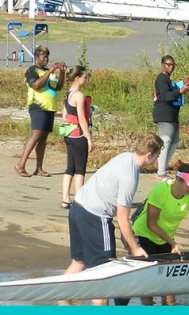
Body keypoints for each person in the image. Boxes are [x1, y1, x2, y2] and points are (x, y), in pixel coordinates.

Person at [58, 133, 163, 306]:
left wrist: (126, 237)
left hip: (77, 208)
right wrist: (136, 249)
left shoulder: (125, 157)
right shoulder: (130, 176)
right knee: (104, 276)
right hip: (95, 217)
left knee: (79, 262)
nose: (157, 159)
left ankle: (63, 301)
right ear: (150, 155)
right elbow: (122, 218)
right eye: (158, 156)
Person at [130, 160, 189, 306]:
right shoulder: (160, 190)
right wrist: (172, 243)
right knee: (148, 284)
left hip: (166, 238)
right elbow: (151, 223)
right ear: (179, 179)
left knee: (169, 288)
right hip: (144, 234)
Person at [14, 46, 66, 178]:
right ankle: (21, 165)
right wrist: (51, 71)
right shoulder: (32, 70)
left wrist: (62, 73)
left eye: (47, 57)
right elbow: (36, 85)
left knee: (43, 138)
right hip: (37, 106)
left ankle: (39, 168)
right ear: (37, 58)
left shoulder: (49, 71)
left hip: (49, 107)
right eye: (43, 57)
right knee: (36, 135)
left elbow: (57, 87)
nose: (46, 59)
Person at [153, 55, 189, 180]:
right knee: (165, 141)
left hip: (172, 115)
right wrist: (180, 91)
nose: (171, 67)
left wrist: (182, 89)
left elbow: (172, 95)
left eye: (173, 65)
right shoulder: (161, 79)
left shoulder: (168, 80)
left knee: (174, 142)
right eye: (168, 64)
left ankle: (163, 168)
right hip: (164, 114)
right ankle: (161, 172)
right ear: (162, 65)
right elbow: (165, 96)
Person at [60, 65, 94, 209]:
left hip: (69, 134)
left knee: (70, 168)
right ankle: (79, 200)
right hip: (79, 135)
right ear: (78, 78)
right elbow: (81, 119)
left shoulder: (68, 93)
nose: (87, 79)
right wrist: (89, 138)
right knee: (80, 169)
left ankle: (65, 198)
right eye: (85, 77)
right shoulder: (79, 96)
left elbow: (64, 116)